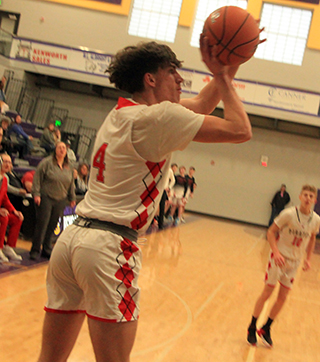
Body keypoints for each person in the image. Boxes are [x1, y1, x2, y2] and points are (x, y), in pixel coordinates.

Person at [36, 39, 251, 362]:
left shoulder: (123, 112)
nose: (181, 80)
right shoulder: (159, 118)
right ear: (150, 79)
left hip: (71, 242)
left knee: (49, 359)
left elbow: (204, 105)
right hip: (108, 248)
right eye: (172, 72)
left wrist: (229, 65)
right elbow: (240, 129)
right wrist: (221, 74)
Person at [247, 184, 320, 348]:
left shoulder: (316, 220)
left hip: (294, 261)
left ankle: (266, 328)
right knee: (267, 293)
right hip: (279, 258)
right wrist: (276, 252)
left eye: (311, 196)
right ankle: (252, 326)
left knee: (282, 298)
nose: (308, 198)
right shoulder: (288, 214)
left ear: (315, 200)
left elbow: (312, 238)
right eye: (305, 195)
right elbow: (271, 232)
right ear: (300, 197)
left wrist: (308, 259)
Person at [30, 142, 76, 260]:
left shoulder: (68, 167)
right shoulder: (46, 163)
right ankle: (35, 250)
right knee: (42, 224)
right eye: (59, 147)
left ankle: (46, 249)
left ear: (66, 151)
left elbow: (71, 184)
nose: (61, 150)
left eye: (64, 148)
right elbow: (37, 178)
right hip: (46, 197)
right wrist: (36, 194)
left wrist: (72, 198)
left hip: (61, 199)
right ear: (55, 150)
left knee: (53, 225)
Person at [0, 153, 24, 263]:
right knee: (4, 218)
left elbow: (4, 198)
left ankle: (8, 247)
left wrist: (14, 210)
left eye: (9, 162)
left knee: (17, 218)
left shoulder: (5, 179)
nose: (7, 164)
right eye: (5, 161)